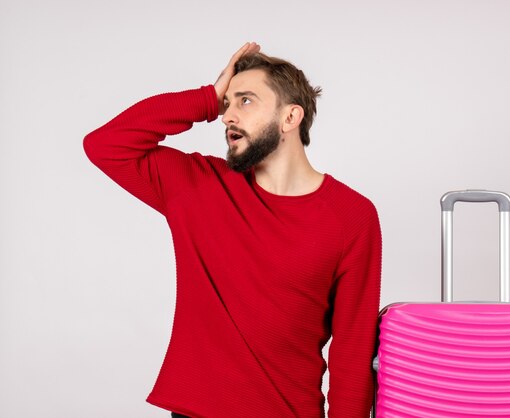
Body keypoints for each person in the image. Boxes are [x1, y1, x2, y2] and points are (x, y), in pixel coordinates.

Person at [84, 42, 382, 418]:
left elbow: (352, 351)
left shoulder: (352, 216)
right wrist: (206, 98)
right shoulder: (198, 186)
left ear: (290, 117)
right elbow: (105, 145)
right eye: (226, 103)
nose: (227, 116)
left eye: (245, 101)